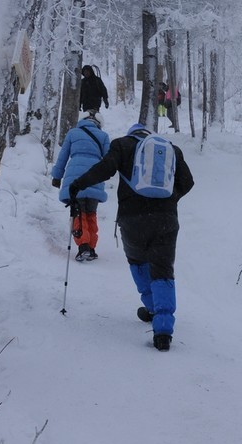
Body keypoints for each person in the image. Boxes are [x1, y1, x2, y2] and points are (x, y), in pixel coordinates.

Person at [66, 122, 194, 351]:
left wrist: (77, 185)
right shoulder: (171, 149)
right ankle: (163, 330)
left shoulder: (122, 145)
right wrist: (169, 200)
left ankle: (152, 307)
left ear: (131, 134)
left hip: (132, 219)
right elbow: (188, 182)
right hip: (166, 219)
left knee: (139, 263)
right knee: (163, 269)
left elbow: (103, 169)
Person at [51, 112, 110, 261]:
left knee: (78, 211)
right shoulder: (103, 136)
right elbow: (109, 160)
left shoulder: (73, 133)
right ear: (98, 123)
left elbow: (63, 156)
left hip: (75, 179)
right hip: (94, 177)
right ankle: (91, 247)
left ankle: (83, 246)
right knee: (91, 213)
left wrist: (57, 177)